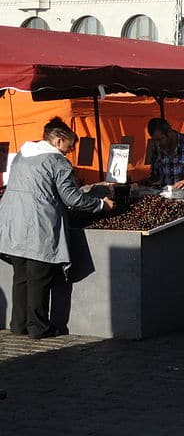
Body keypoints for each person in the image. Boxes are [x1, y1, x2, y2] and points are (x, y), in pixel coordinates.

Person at [0, 117, 114, 339]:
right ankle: (38, 327)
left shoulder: (23, 155)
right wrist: (101, 204)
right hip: (39, 225)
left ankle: (19, 324)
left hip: (13, 223)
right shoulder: (58, 162)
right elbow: (72, 198)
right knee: (39, 277)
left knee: (21, 276)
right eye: (69, 147)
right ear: (59, 141)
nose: (69, 152)